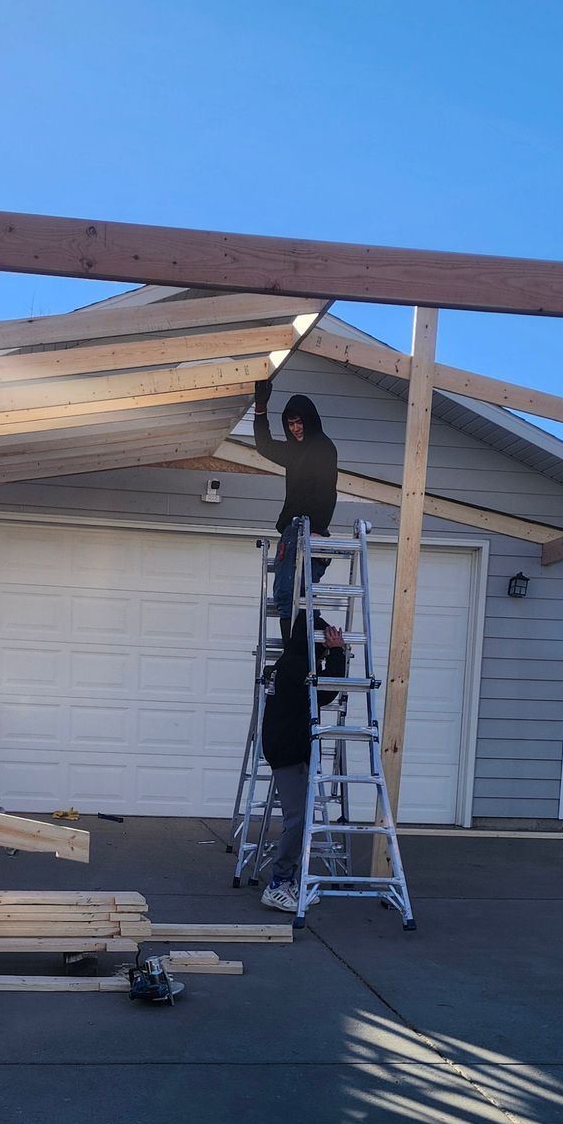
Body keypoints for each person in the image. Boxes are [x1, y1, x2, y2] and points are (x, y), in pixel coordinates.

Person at [259, 605, 346, 914]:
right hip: (289, 754)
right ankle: (278, 883)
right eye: (321, 641)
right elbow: (326, 693)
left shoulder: (290, 663)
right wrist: (337, 653)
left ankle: (288, 880)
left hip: (288, 749)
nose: (324, 647)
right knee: (297, 820)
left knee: (300, 818)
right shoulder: (297, 667)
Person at [252, 383, 339, 642]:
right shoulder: (293, 451)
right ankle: (300, 651)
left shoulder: (323, 447)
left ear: (309, 420)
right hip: (292, 530)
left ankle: (318, 646)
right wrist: (260, 408)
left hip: (310, 529)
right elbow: (264, 446)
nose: (295, 428)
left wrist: (316, 529)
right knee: (286, 597)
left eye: (299, 422)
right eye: (290, 424)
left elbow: (327, 490)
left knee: (297, 596)